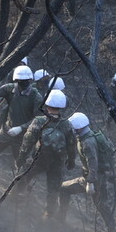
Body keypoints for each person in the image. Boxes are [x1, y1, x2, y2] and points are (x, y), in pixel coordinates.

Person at [15, 89, 76, 218]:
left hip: (38, 159)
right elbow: (72, 145)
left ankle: (13, 196)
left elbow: (28, 141)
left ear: (47, 105)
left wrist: (21, 157)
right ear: (62, 107)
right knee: (53, 189)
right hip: (57, 162)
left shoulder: (39, 121)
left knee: (23, 176)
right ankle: (49, 213)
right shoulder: (66, 125)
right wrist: (71, 160)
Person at [59, 112, 116, 232]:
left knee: (64, 189)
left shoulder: (87, 143)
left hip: (94, 178)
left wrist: (90, 182)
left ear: (78, 128)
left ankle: (59, 220)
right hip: (99, 176)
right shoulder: (91, 135)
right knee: (101, 204)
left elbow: (93, 163)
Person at [0, 65, 43, 180]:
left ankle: (19, 192)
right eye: (21, 81)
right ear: (16, 80)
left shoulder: (35, 96)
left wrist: (21, 128)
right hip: (6, 131)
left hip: (23, 137)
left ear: (30, 80)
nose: (23, 83)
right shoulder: (10, 89)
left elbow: (39, 119)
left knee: (21, 167)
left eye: (26, 81)